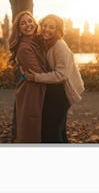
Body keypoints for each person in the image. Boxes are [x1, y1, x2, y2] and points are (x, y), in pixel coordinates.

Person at [25, 14, 85, 143]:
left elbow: (61, 75)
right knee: (58, 130)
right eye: (45, 26)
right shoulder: (45, 42)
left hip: (63, 92)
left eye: (51, 27)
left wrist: (36, 77)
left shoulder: (59, 46)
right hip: (54, 90)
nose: (47, 29)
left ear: (58, 30)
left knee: (51, 131)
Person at [8, 10, 47, 143]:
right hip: (32, 92)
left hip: (36, 88)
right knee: (31, 130)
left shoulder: (35, 41)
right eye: (23, 23)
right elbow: (39, 73)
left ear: (35, 23)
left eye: (30, 21)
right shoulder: (24, 48)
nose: (28, 25)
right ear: (19, 29)